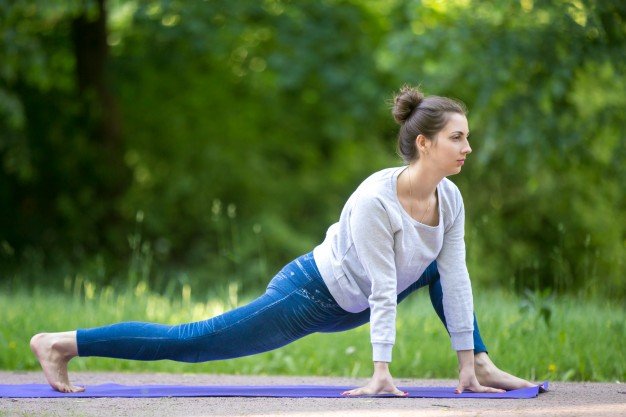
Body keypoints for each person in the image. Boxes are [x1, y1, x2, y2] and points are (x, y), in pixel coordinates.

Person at [31, 85, 535, 395]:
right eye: (457, 137)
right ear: (424, 143)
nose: (468, 147)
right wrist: (381, 373)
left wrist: (466, 362)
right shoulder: (374, 202)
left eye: (467, 137)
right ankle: (61, 343)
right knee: (194, 342)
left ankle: (482, 367)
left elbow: (454, 276)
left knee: (442, 269)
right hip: (312, 295)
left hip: (363, 296)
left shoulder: (450, 199)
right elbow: (383, 289)